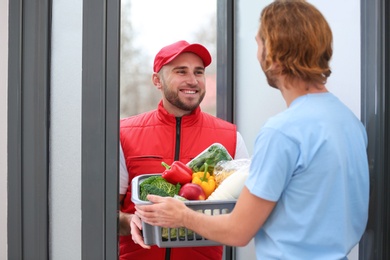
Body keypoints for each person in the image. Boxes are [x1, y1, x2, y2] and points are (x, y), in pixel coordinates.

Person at [134, 1, 370, 259]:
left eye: (259, 43)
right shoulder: (349, 122)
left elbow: (238, 231)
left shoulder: (283, 132)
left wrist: (182, 215)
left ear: (275, 54)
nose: (257, 54)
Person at [119, 40, 250, 260]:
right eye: (181, 71)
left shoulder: (230, 137)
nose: (192, 80)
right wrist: (129, 220)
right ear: (156, 81)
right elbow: (106, 213)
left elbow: (246, 216)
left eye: (198, 72)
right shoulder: (125, 134)